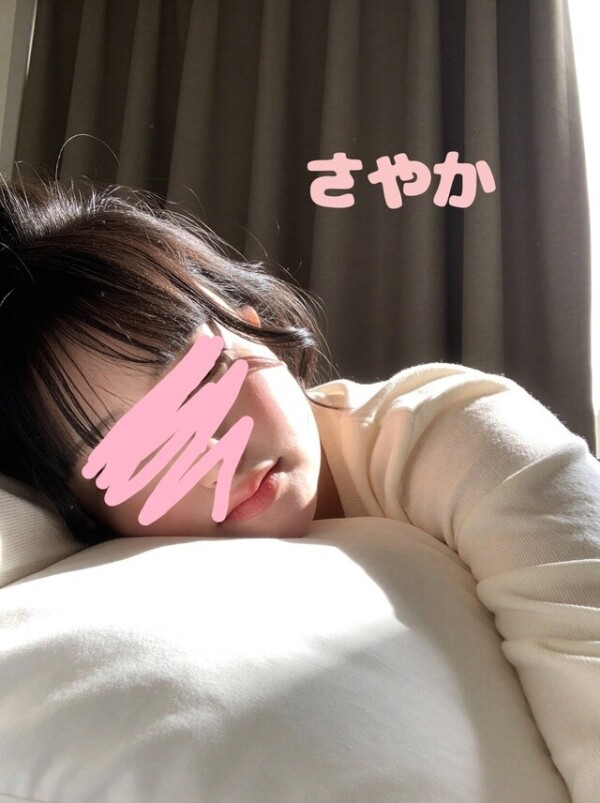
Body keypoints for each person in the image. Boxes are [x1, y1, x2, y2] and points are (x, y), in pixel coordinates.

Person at [0, 177, 599, 801]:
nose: (216, 460)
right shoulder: (67, 516)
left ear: (252, 328)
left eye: (202, 380)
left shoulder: (461, 434)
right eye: (135, 450)